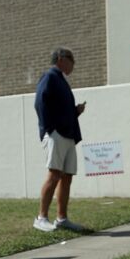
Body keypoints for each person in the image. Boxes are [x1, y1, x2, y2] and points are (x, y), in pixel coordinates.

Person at [33, 47, 86, 232]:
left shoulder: (62, 80)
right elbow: (40, 102)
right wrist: (49, 129)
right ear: (62, 58)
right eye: (72, 59)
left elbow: (61, 110)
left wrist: (75, 112)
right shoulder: (50, 76)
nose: (74, 64)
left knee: (67, 177)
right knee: (54, 174)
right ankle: (41, 218)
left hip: (68, 135)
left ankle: (62, 219)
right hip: (56, 134)